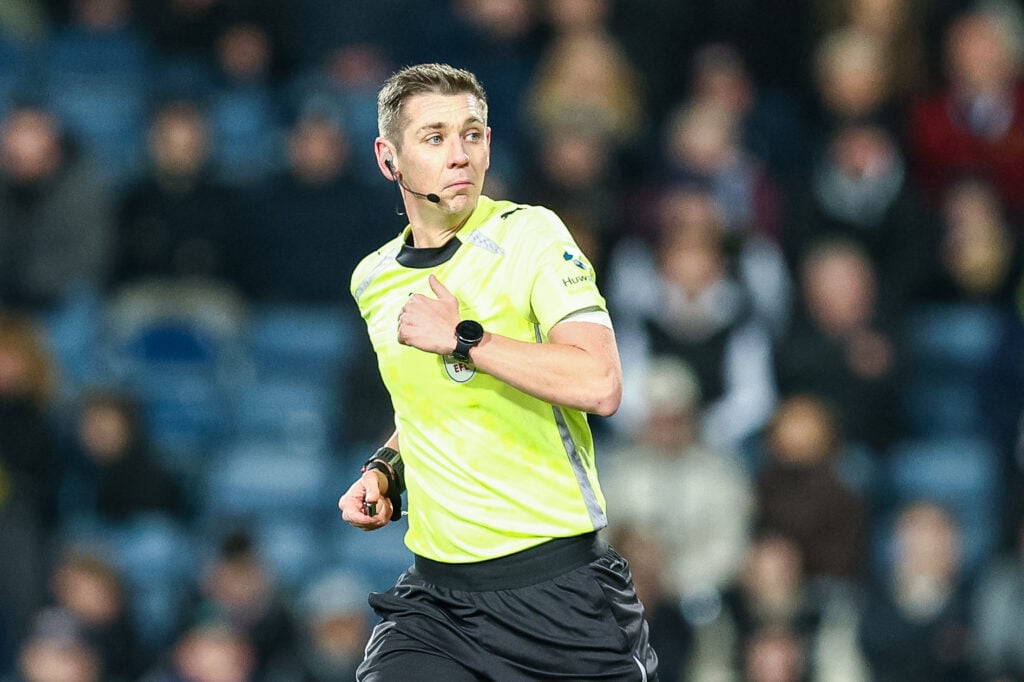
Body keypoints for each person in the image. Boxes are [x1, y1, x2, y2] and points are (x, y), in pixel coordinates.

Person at [336, 63, 658, 681]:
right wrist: (386, 468)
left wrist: (463, 339)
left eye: (473, 134)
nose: (459, 154)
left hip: (562, 598)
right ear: (388, 157)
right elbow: (425, 408)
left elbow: (600, 384)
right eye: (434, 137)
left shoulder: (532, 235)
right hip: (439, 606)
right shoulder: (372, 278)